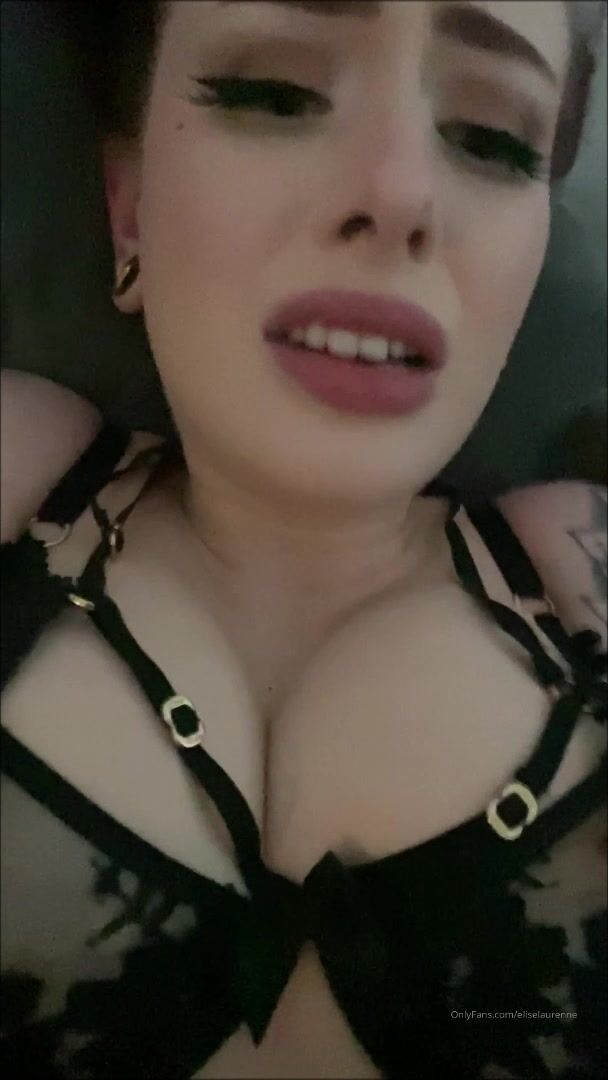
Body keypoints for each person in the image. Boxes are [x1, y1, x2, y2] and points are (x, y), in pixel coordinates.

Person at [1, 2, 606, 1077]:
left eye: (492, 141)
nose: (401, 193)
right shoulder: (17, 469)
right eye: (273, 94)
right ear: (129, 214)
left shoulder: (582, 568)